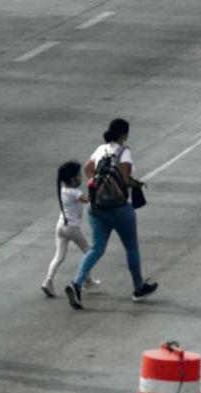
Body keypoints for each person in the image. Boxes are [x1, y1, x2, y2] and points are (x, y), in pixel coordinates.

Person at [66, 118, 158, 309]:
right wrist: (137, 185)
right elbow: (125, 180)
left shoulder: (101, 149)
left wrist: (101, 183)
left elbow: (87, 168)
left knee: (96, 248)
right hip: (119, 209)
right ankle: (138, 288)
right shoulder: (124, 153)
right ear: (124, 134)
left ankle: (77, 284)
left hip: (97, 207)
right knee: (131, 248)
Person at [41, 161, 100, 298]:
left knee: (59, 256)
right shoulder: (75, 192)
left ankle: (48, 281)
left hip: (60, 226)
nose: (80, 177)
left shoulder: (63, 190)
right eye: (78, 175)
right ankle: (87, 281)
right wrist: (94, 186)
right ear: (72, 179)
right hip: (72, 228)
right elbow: (88, 200)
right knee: (88, 252)